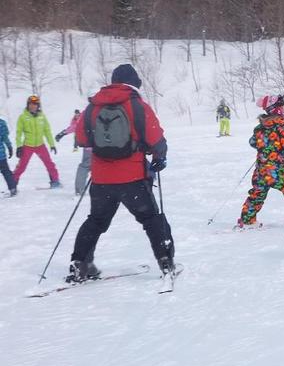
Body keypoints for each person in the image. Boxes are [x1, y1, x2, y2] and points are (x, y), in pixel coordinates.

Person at [66, 64, 176, 283]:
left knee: (95, 221)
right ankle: (166, 262)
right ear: (134, 83)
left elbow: (81, 138)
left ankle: (80, 265)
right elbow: (156, 139)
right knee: (151, 219)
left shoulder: (93, 106)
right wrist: (159, 158)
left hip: (101, 179)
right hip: (133, 178)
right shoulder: (137, 105)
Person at [236, 94, 284, 230]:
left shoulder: (260, 127)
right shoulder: (280, 126)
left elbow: (253, 142)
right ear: (275, 109)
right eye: (281, 107)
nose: (283, 109)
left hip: (261, 170)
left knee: (257, 194)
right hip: (277, 170)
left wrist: (265, 146)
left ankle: (247, 220)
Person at [13, 95, 61, 189]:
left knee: (49, 164)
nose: (33, 106)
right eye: (31, 104)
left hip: (40, 145)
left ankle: (55, 181)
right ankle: (13, 184)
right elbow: (19, 133)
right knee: (21, 166)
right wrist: (19, 146)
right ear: (28, 105)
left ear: (38, 106)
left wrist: (52, 145)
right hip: (28, 146)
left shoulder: (42, 117)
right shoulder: (22, 117)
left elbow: (47, 131)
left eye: (35, 104)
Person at [55, 110, 92, 196]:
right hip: (104, 145)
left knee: (85, 166)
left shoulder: (88, 111)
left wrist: (62, 133)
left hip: (89, 145)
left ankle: (80, 189)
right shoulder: (109, 108)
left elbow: (76, 126)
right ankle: (106, 189)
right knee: (103, 166)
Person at [0, 117, 16, 196]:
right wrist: (9, 147)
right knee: (6, 171)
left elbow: (5, 137)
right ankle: (12, 188)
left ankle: (12, 188)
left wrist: (9, 147)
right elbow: (5, 137)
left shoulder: (1, 123)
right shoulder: (1, 123)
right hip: (1, 155)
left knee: (5, 171)